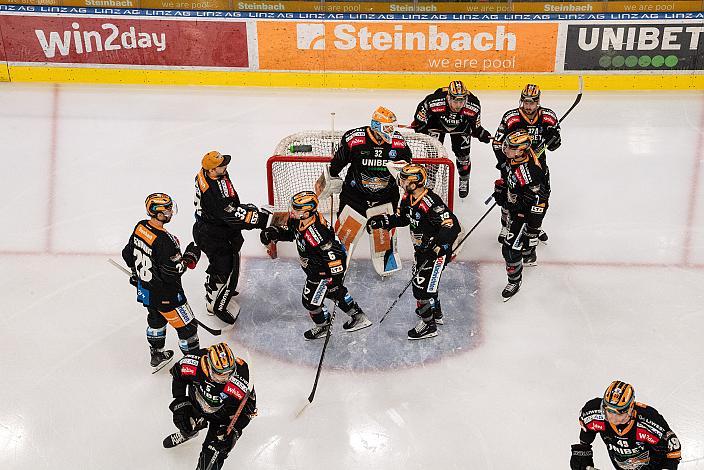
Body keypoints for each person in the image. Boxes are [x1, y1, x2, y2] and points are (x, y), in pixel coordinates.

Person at [259, 191, 371, 340]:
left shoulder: (317, 233)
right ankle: (359, 316)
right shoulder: (299, 220)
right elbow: (294, 234)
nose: (292, 212)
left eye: (297, 209)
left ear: (307, 213)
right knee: (334, 292)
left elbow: (335, 257)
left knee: (310, 302)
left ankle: (323, 326)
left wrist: (334, 279)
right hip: (315, 268)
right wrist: (275, 232)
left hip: (321, 272)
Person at [366, 163, 461, 340]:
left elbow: (452, 225)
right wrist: (383, 221)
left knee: (420, 289)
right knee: (425, 284)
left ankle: (429, 325)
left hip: (436, 253)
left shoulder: (429, 203)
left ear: (414, 183)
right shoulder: (407, 198)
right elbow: (403, 219)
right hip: (422, 251)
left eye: (404, 179)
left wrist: (438, 245)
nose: (400, 182)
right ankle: (435, 312)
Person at [318, 106, 413, 277]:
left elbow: (407, 169)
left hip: (385, 197)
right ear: (376, 126)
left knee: (382, 234)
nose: (392, 131)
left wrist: (401, 171)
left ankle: (385, 258)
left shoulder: (398, 143)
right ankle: (337, 259)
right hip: (355, 197)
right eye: (388, 127)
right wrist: (330, 177)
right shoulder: (355, 139)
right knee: (345, 235)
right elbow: (337, 163)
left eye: (393, 127)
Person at [122, 193, 201, 372]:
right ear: (157, 212)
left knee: (156, 319)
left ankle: (157, 353)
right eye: (167, 209)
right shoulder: (166, 241)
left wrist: (139, 275)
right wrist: (189, 258)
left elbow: (127, 254)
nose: (171, 212)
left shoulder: (140, 227)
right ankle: (193, 366)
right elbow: (172, 273)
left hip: (146, 291)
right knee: (188, 328)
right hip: (168, 296)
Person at [193, 151, 270, 324]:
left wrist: (242, 208)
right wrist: (260, 219)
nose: (225, 167)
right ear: (212, 170)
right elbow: (232, 217)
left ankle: (223, 286)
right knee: (222, 266)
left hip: (216, 228)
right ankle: (213, 302)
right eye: (221, 166)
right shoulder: (213, 193)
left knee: (230, 261)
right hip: (213, 234)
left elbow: (230, 207)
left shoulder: (210, 175)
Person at [167, 342, 257, 470]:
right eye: (220, 375)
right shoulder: (193, 362)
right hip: (197, 403)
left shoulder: (242, 378)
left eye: (228, 374)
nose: (225, 379)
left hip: (222, 418)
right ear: (208, 366)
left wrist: (234, 431)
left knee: (211, 460)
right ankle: (188, 432)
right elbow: (177, 375)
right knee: (185, 421)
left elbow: (248, 410)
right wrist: (180, 402)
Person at [492, 84, 561, 246]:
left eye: (532, 103)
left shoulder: (549, 117)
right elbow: (497, 143)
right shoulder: (511, 117)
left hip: (537, 166)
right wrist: (504, 164)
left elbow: (554, 146)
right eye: (525, 102)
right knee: (510, 198)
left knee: (541, 197)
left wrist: (554, 138)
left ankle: (534, 226)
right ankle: (506, 226)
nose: (528, 106)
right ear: (521, 101)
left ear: (538, 102)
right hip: (514, 165)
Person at [570, 380, 682, 470]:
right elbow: (587, 428)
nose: (613, 418)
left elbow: (673, 449)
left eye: (619, 413)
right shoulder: (593, 412)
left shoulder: (648, 421)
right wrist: (583, 449)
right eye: (609, 411)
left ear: (631, 408)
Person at [411, 80, 493, 198]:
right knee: (433, 154)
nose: (458, 105)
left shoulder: (473, 105)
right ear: (448, 98)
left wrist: (481, 133)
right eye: (455, 101)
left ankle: (464, 179)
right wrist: (421, 127)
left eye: (461, 101)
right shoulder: (434, 101)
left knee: (463, 156)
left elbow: (476, 126)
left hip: (461, 126)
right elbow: (420, 116)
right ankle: (431, 178)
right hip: (436, 125)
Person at [492, 129, 548, 301]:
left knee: (509, 248)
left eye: (510, 147)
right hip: (518, 209)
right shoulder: (514, 158)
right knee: (519, 242)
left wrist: (512, 203)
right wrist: (503, 189)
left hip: (526, 213)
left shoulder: (531, 172)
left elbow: (537, 199)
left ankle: (515, 281)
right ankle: (529, 250)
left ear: (521, 150)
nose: (505, 148)